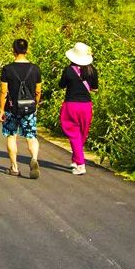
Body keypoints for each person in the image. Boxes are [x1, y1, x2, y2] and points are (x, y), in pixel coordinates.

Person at [0, 38, 42, 179]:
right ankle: (34, 158)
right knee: (31, 136)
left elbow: (3, 92)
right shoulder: (35, 69)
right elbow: (38, 91)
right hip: (29, 109)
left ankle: (15, 167)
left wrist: (1, 110)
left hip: (12, 109)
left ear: (13, 50)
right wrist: (35, 104)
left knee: (12, 136)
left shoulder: (8, 69)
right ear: (27, 50)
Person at [59, 42, 99, 175]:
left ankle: (81, 165)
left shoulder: (68, 70)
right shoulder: (92, 70)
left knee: (73, 134)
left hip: (71, 105)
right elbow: (95, 89)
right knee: (82, 133)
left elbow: (61, 85)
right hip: (86, 105)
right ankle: (76, 160)